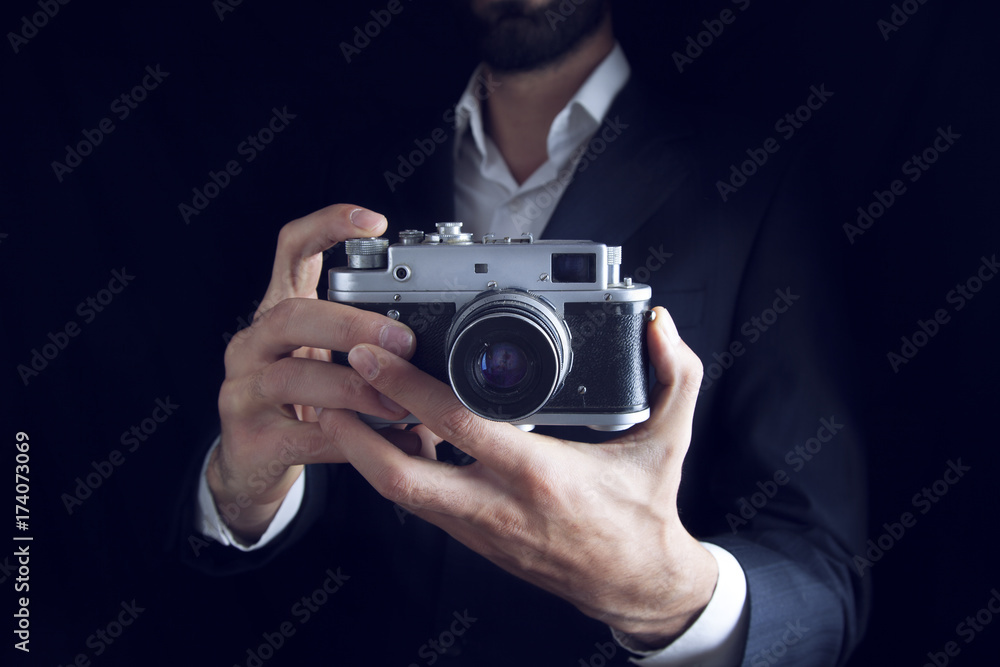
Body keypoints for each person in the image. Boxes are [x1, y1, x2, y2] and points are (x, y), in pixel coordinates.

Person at [181, 1, 869, 664]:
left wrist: (666, 593)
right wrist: (244, 489)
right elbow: (298, 446)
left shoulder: (751, 182)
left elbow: (823, 570)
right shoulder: (348, 174)